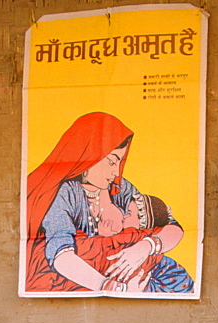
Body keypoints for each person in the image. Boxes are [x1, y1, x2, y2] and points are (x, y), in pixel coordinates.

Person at [25, 111, 194, 294]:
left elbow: (172, 227)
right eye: (112, 162)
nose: (116, 172)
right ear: (88, 154)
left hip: (132, 273)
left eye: (119, 163)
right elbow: (61, 255)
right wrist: (116, 288)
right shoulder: (65, 193)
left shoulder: (120, 188)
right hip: (85, 279)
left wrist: (144, 247)